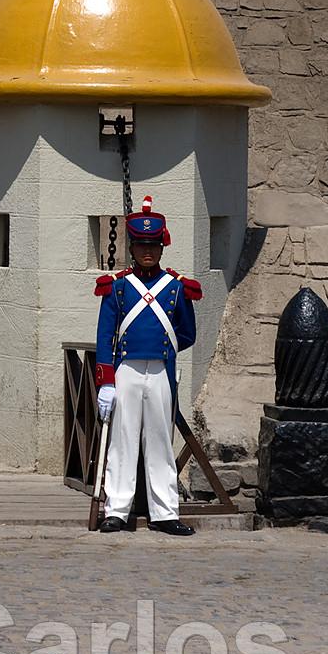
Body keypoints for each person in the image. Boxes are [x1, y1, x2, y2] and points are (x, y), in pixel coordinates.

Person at [94, 195, 200, 536]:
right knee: (122, 441)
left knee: (160, 442)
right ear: (133, 248)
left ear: (161, 246)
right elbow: (104, 335)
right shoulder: (119, 286)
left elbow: (186, 333)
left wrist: (163, 350)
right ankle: (116, 510)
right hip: (126, 370)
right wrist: (106, 381)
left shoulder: (176, 287)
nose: (147, 252)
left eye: (152, 245)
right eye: (141, 245)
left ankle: (165, 512)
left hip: (160, 371)